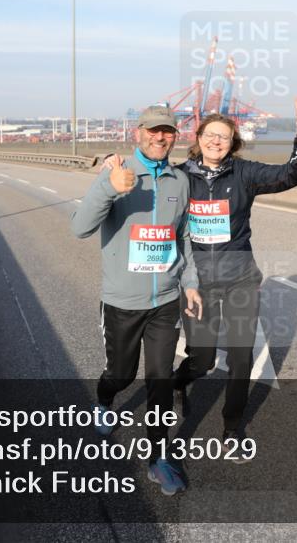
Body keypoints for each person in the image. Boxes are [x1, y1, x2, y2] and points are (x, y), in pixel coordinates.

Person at [70, 104, 203, 496]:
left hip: (164, 301)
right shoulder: (118, 173)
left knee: (160, 380)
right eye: (153, 131)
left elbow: (184, 237)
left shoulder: (180, 181)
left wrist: (190, 282)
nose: (160, 137)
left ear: (175, 136)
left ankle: (158, 458)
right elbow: (79, 229)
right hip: (122, 302)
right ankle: (104, 401)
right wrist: (108, 186)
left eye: (167, 132)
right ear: (138, 133)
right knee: (122, 375)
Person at [172, 95, 297, 458]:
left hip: (240, 279)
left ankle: (232, 427)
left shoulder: (245, 173)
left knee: (240, 358)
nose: (216, 141)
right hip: (197, 282)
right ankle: (179, 382)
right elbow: (146, 185)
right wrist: (112, 167)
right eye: (210, 135)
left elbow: (289, 175)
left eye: (224, 137)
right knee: (201, 359)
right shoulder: (179, 177)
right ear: (199, 137)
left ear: (232, 143)